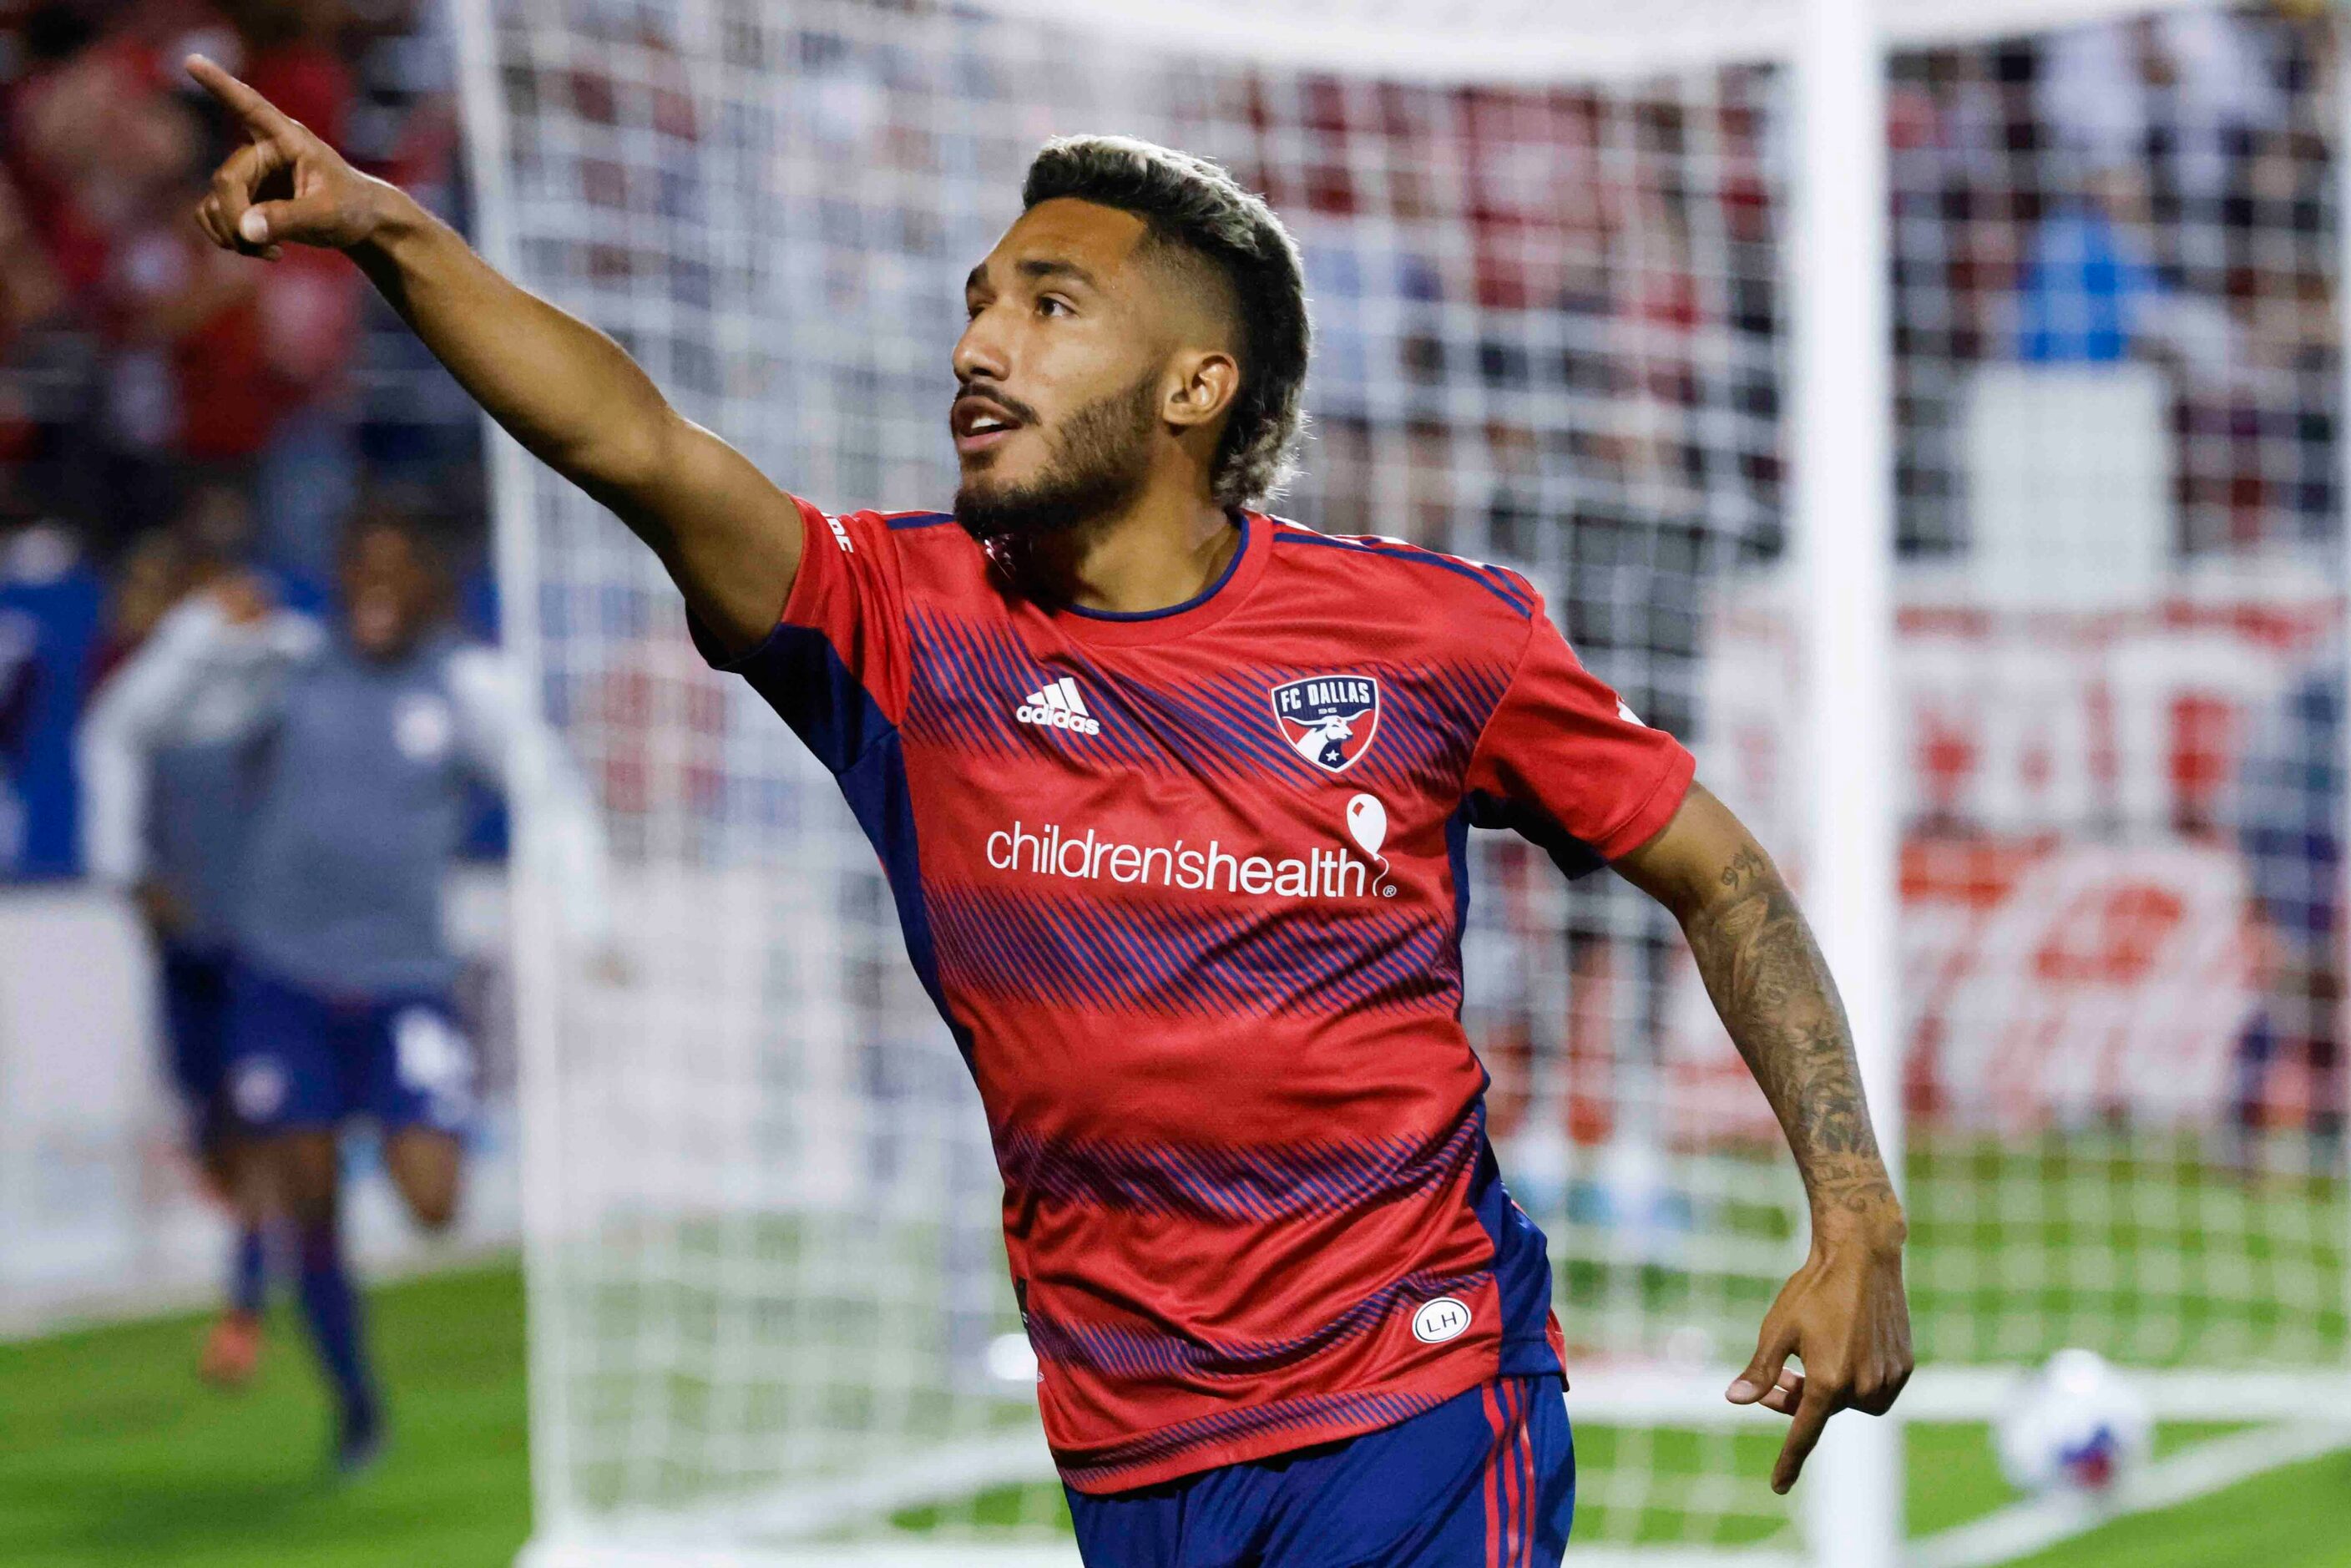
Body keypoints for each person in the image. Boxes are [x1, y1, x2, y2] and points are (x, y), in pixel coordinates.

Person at [182, 56, 1911, 1557]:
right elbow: (634, 444)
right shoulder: (895, 625)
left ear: (1195, 388)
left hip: (1417, 1397)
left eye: (1050, 305)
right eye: (980, 298)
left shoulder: (1433, 635)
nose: (977, 343)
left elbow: (1720, 873)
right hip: (1128, 1448)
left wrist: (1854, 1218)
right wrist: (393, 233)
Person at [82, 493, 609, 1471]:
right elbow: (130, 722)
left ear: (428, 586)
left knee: (435, 1203)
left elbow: (549, 790)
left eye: (392, 568)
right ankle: (357, 1405)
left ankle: (358, 1331)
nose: (372, 588)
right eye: (356, 568)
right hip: (285, 978)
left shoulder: (464, 685)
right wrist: (197, 634)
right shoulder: (283, 667)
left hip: (408, 984)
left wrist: (590, 917)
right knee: (307, 1198)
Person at [80, 483, 293, 1388]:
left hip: (256, 937)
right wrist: (134, 882)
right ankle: (256, 1253)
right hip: (181, 943)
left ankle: (244, 1307)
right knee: (207, 1123)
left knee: (250, 1126)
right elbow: (114, 762)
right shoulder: (133, 694)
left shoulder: (252, 671)